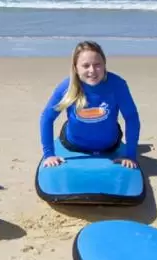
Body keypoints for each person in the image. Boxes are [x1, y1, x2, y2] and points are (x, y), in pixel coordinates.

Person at [39, 41, 139, 169]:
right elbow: (47, 117)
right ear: (75, 68)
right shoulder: (66, 87)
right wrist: (49, 155)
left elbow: (131, 117)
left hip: (110, 145)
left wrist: (130, 155)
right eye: (85, 65)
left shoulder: (117, 85)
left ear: (104, 65)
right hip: (73, 143)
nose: (92, 70)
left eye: (97, 65)